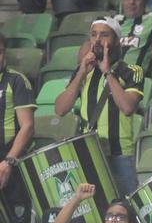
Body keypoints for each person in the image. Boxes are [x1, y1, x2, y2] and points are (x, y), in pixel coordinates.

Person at [53, 17, 145, 195]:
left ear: (116, 40)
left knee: (125, 206)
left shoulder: (132, 71)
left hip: (119, 153)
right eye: (94, 35)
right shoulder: (83, 71)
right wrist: (81, 72)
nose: (97, 40)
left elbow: (127, 107)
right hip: (91, 153)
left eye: (104, 35)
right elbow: (60, 109)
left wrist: (107, 72)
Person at [0, 35, 34, 223]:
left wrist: (8, 161)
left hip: (10, 161)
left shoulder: (16, 80)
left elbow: (27, 126)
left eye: (0, 52)